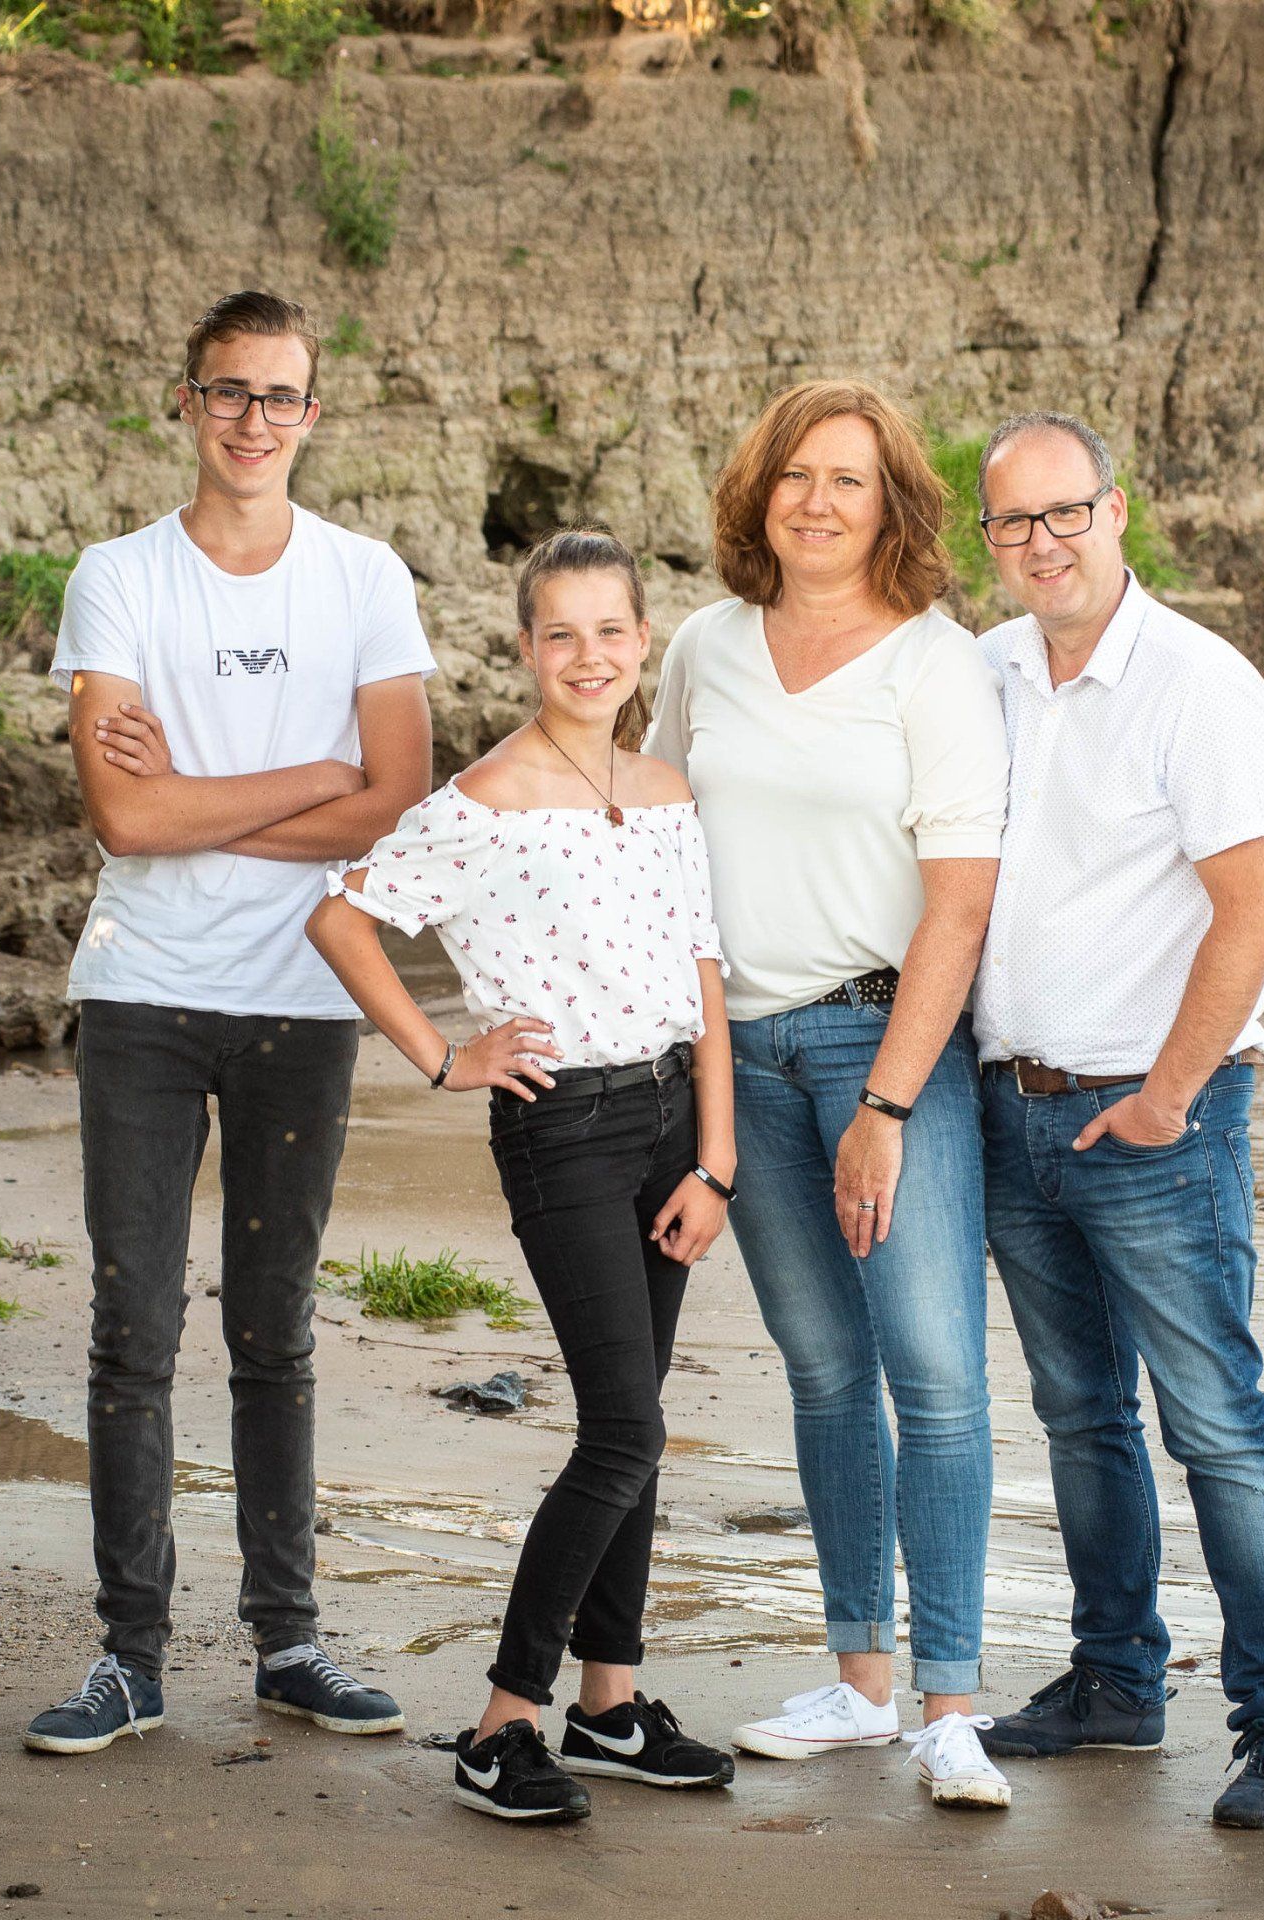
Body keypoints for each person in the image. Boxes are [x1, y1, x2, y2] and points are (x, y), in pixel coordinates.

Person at [24, 290, 435, 1756]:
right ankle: (130, 1657)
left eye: (281, 397)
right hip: (141, 992)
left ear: (311, 416)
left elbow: (396, 797)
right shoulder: (118, 576)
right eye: (229, 393)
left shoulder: (363, 577)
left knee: (275, 1330)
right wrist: (302, 782)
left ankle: (290, 1644)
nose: (255, 420)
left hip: (301, 1000)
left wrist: (202, 808)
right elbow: (121, 817)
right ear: (185, 405)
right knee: (131, 1330)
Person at [307, 525, 738, 1824]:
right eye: (562, 634)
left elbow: (705, 977)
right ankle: (504, 1724)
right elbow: (340, 914)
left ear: (642, 640)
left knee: (640, 1423)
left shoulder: (664, 791)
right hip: (561, 1128)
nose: (589, 655)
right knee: (622, 1427)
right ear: (526, 647)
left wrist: (717, 1158)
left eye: (612, 631)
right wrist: (446, 1056)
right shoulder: (484, 803)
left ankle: (609, 1704)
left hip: (674, 1124)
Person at [647, 380, 1012, 1810]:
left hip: (883, 1052)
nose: (816, 501)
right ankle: (861, 1684)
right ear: (760, 493)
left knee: (935, 1372)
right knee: (821, 1366)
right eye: (795, 475)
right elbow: (653, 841)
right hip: (738, 1052)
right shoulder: (703, 647)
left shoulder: (938, 667)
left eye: (848, 481)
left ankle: (951, 1707)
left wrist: (894, 1104)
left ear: (894, 506)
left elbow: (960, 906)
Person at [968, 410, 1264, 1829]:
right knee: (1078, 1415)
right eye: (1014, 524)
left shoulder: (1201, 685)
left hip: (1158, 1118)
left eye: (1067, 514)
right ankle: (1116, 1682)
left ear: (1118, 513)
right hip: (1014, 1102)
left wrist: (1169, 1097)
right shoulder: (988, 670)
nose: (1043, 543)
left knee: (1217, 1424)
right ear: (987, 542)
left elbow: (1256, 913)